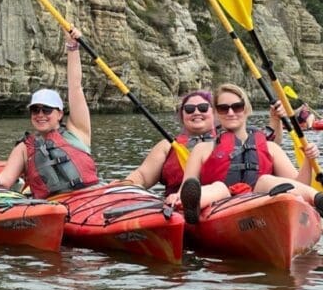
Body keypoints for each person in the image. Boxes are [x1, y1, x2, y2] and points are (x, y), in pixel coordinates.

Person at [178, 83, 323, 224]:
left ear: (247, 109)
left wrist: (308, 160)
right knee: (219, 187)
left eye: (237, 107)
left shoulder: (270, 147)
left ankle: (317, 198)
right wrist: (176, 198)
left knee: (266, 180)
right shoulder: (202, 149)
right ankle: (193, 206)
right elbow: (186, 187)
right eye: (223, 108)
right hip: (220, 207)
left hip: (261, 206)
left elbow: (299, 185)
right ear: (215, 113)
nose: (230, 113)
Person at [0, 29, 98, 198]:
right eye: (35, 109)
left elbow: (75, 86)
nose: (40, 114)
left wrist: (72, 47)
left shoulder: (77, 131)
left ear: (59, 114)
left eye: (46, 109)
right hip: (52, 207)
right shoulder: (24, 148)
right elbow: (5, 179)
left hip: (89, 200)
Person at [126, 90, 285, 196]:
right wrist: (126, 184)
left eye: (203, 108)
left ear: (214, 112)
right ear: (182, 115)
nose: (196, 112)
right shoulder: (167, 145)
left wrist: (276, 120)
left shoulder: (236, 137)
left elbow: (269, 147)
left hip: (230, 200)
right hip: (181, 208)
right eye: (189, 109)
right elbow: (143, 175)